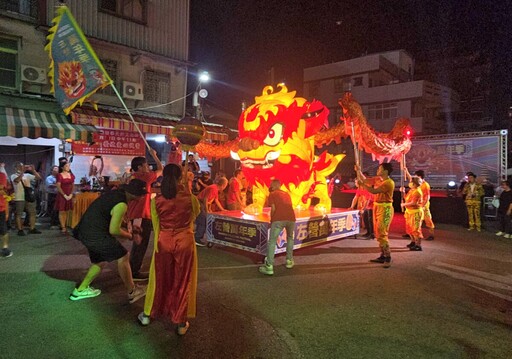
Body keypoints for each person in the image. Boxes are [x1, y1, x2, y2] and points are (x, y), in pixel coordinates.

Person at [137, 164, 200, 336]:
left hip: (163, 241)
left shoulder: (155, 200)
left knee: (158, 277)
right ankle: (180, 322)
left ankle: (148, 314)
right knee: (182, 281)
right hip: (185, 242)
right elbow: (195, 214)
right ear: (181, 178)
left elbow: (156, 224)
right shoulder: (190, 199)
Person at [70, 179, 148, 303]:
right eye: (142, 195)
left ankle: (80, 290)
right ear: (136, 194)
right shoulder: (121, 204)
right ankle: (132, 292)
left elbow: (109, 215)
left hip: (85, 231)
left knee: (100, 261)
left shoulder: (115, 195)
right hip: (95, 234)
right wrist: (130, 236)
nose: (143, 197)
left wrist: (129, 227)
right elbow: (114, 230)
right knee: (123, 256)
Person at [126, 149, 163, 281]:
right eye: (146, 165)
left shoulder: (132, 177)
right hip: (141, 215)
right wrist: (155, 155)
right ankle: (134, 271)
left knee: (137, 243)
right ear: (140, 167)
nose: (148, 167)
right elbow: (160, 169)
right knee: (141, 243)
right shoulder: (145, 177)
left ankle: (132, 269)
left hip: (134, 215)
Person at [355, 163, 395, 268]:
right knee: (378, 232)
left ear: (385, 171)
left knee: (382, 232)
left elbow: (373, 191)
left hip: (385, 208)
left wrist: (363, 185)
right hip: (377, 207)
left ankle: (388, 257)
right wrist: (358, 170)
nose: (378, 170)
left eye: (380, 168)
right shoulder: (378, 179)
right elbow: (365, 180)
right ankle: (382, 255)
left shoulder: (389, 183)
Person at [259, 179, 296, 276]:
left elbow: (273, 208)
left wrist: (272, 220)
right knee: (290, 238)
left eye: (271, 185)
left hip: (279, 219)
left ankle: (269, 266)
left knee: (272, 241)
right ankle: (289, 261)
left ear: (274, 186)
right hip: (291, 218)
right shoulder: (287, 194)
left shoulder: (273, 194)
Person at [194, 176, 228, 246]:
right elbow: (206, 199)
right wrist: (207, 210)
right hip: (200, 203)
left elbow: (215, 200)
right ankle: (197, 238)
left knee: (202, 220)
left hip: (201, 203)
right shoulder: (213, 188)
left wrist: (223, 209)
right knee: (203, 219)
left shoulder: (215, 188)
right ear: (223, 185)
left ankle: (197, 236)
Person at [10, 162, 42, 236]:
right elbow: (17, 180)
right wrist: (22, 173)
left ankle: (32, 228)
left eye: (22, 166)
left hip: (28, 196)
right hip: (19, 197)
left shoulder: (27, 175)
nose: (22, 167)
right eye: (19, 166)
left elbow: (38, 178)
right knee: (19, 214)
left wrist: (33, 170)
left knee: (32, 212)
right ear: (15, 168)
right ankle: (20, 229)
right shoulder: (13, 175)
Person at [400, 176, 424, 251]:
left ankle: (418, 245)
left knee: (416, 229)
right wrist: (403, 192)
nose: (409, 183)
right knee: (409, 228)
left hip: (416, 213)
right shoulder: (412, 190)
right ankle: (413, 242)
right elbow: (406, 199)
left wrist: (404, 205)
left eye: (411, 182)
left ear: (414, 183)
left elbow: (413, 203)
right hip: (409, 212)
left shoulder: (417, 191)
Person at [55, 162, 75, 234]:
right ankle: (63, 227)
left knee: (66, 211)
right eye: (66, 166)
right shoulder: (59, 175)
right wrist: (64, 195)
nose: (68, 167)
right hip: (62, 195)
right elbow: (58, 186)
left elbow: (73, 185)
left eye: (68, 166)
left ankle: (65, 226)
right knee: (61, 211)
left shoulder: (71, 175)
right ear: (62, 167)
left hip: (69, 194)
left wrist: (71, 194)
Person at [0, 163, 12, 257]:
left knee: (3, 229)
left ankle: (5, 248)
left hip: (1, 208)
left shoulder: (2, 175)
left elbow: (2, 189)